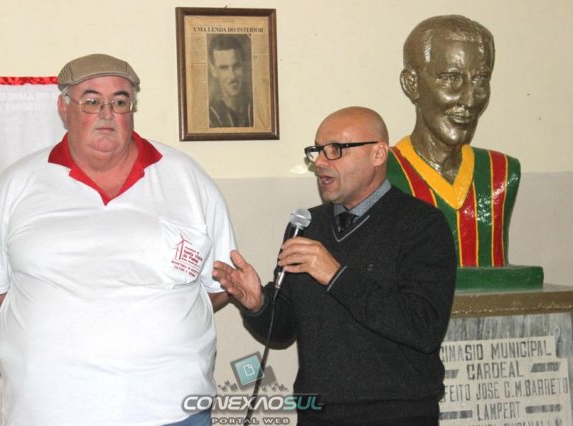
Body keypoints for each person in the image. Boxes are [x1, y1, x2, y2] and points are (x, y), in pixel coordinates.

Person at [0, 53, 235, 426]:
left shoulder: (188, 179)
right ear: (63, 108)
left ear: (132, 109)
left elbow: (220, 287)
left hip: (172, 409)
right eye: (92, 101)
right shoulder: (16, 185)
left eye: (120, 102)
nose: (107, 114)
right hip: (47, 410)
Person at [213, 106, 456, 425]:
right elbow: (283, 330)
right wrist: (257, 303)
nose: (320, 162)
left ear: (378, 154)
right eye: (317, 150)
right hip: (317, 414)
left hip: (397, 414)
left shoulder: (422, 225)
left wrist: (335, 275)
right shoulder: (307, 225)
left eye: (336, 149)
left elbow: (423, 328)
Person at [388, 15, 530, 278]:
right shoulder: (382, 173)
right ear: (411, 84)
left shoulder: (500, 172)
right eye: (451, 78)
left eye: (480, 79)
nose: (470, 98)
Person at [208, 34, 253, 128]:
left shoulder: (256, 109)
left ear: (244, 66)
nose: (232, 76)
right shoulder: (210, 117)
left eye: (237, 66)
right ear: (213, 71)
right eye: (224, 68)